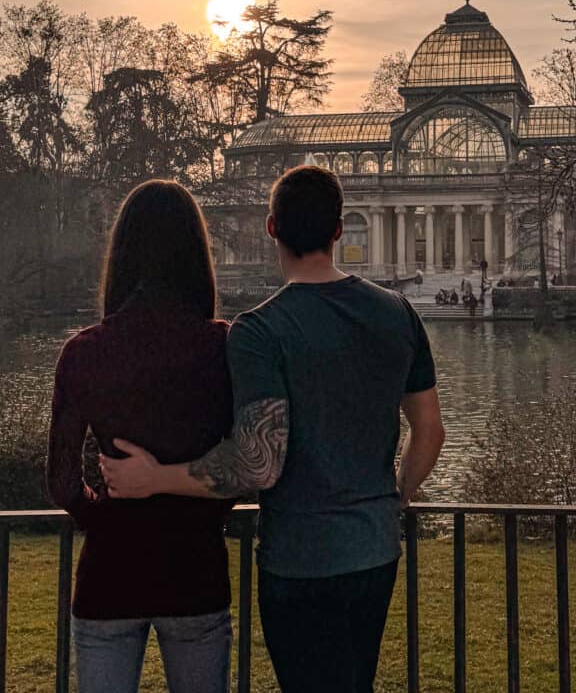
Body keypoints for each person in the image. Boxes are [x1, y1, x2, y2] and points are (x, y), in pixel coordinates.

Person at [101, 166, 445, 693]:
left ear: (271, 228)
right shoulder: (397, 312)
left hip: (299, 558)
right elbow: (430, 430)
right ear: (337, 230)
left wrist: (155, 478)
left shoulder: (260, 330)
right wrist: (399, 492)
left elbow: (258, 463)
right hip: (375, 550)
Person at [46, 180, 234, 693]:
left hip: (110, 575)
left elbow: (62, 482)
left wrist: (106, 518)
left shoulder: (84, 352)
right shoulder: (222, 347)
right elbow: (240, 466)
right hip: (195, 570)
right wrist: (205, 510)